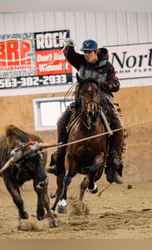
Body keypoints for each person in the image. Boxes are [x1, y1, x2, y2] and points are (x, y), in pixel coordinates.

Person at [47, 38, 124, 184]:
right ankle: (59, 156)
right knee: (61, 122)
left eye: (89, 52)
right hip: (81, 102)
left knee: (118, 127)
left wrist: (99, 84)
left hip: (103, 101)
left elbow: (116, 85)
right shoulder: (81, 61)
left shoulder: (107, 67)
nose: (87, 55)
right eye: (85, 52)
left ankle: (114, 161)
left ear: (96, 52)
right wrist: (69, 46)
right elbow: (70, 55)